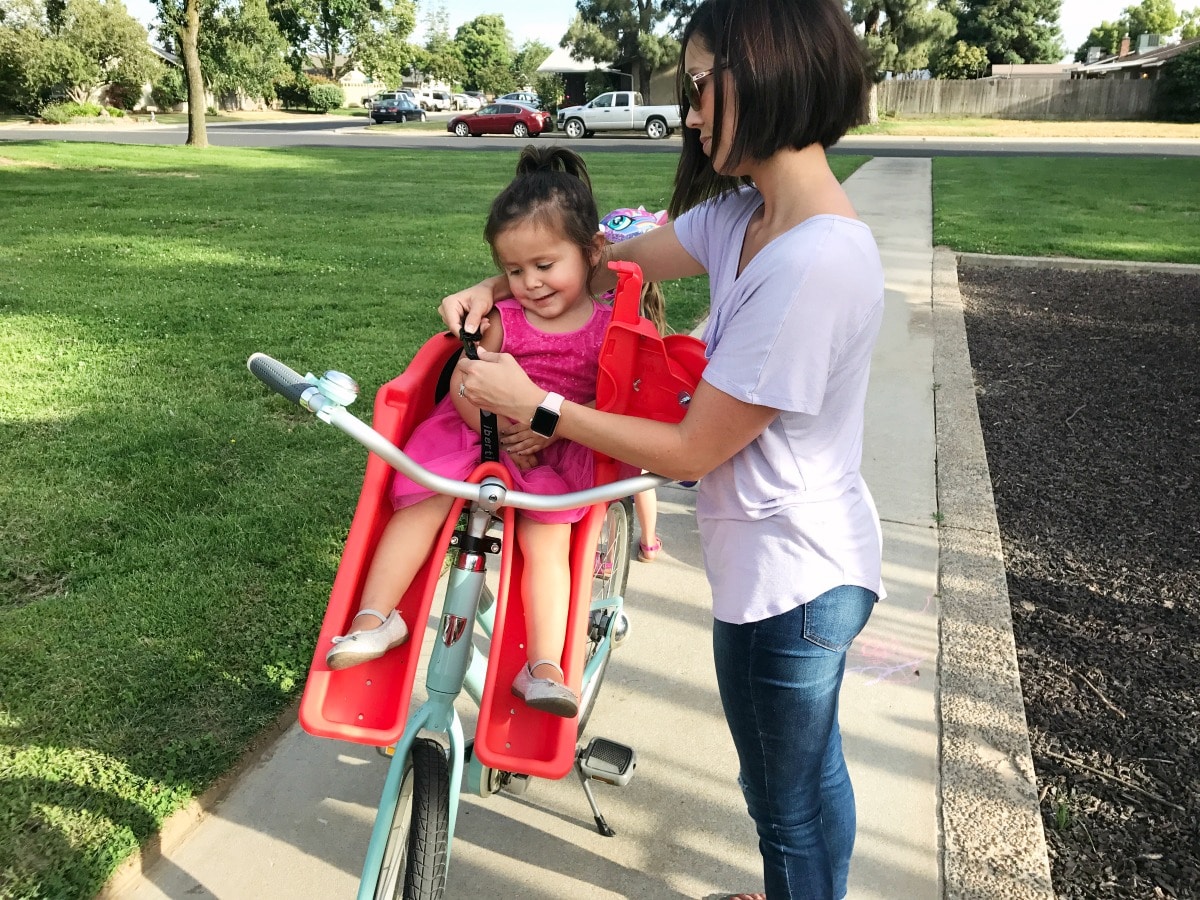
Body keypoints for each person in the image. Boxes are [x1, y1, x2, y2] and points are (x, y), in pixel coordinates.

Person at [441, 1, 883, 896]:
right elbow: (603, 258)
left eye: (698, 84)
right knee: (800, 782)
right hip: (781, 561)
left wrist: (541, 404)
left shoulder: (812, 265)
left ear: (763, 75)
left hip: (790, 581)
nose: (687, 112)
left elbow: (687, 450)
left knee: (784, 802)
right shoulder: (749, 220)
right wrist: (499, 282)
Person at [327, 144, 620, 720]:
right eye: (514, 270)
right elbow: (465, 383)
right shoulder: (502, 320)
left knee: (548, 540)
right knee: (424, 496)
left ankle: (543, 666)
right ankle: (376, 617)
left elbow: (607, 398)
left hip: (555, 451)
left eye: (544, 266)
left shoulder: (611, 324)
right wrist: (499, 427)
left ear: (591, 254)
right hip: (477, 434)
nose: (530, 283)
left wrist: (548, 427)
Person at [599, 206, 670, 563]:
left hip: (605, 407)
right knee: (637, 481)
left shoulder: (604, 308)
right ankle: (650, 541)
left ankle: (604, 555)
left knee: (605, 485)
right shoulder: (649, 310)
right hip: (636, 413)